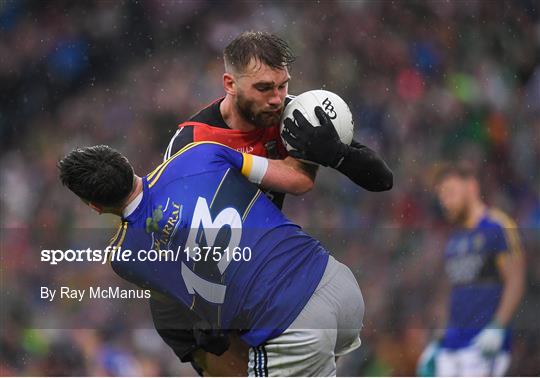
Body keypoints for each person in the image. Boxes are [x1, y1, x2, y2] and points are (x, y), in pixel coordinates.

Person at [159, 30, 393, 375]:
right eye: (265, 88)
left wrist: (339, 155)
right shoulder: (192, 140)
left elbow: (382, 180)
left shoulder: (294, 116)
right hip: (205, 291)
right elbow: (169, 234)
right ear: (229, 83)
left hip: (266, 289)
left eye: (282, 85)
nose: (277, 98)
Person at [58, 143, 365, 377]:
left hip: (290, 327)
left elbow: (194, 306)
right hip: (338, 283)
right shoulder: (197, 153)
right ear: (125, 162)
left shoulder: (123, 257)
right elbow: (291, 176)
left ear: (95, 206)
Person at [417, 163, 525, 377]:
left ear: (471, 187)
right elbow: (451, 292)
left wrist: (498, 325)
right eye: (442, 196)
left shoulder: (497, 227)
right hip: (451, 345)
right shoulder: (455, 240)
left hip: (481, 345)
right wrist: (438, 340)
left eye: (450, 192)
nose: (445, 202)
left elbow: (516, 280)